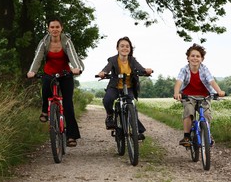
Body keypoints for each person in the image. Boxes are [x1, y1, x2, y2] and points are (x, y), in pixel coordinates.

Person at [27, 17, 84, 147]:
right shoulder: (44, 42)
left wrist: (76, 68)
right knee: (46, 88)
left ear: (61, 28)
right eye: (52, 27)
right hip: (49, 72)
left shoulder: (67, 42)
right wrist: (32, 71)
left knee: (68, 105)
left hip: (65, 74)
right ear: (48, 29)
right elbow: (37, 58)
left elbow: (73, 56)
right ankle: (45, 111)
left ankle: (71, 136)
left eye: (57, 27)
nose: (55, 29)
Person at [97, 36, 153, 140]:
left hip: (129, 87)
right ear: (117, 48)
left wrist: (146, 70)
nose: (125, 48)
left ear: (130, 49)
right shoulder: (113, 60)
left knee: (131, 107)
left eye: (127, 46)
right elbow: (107, 68)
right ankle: (110, 115)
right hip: (115, 87)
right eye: (122, 46)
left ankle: (136, 131)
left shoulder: (132, 60)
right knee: (107, 99)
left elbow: (140, 68)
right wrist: (103, 73)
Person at [173, 43, 225, 146]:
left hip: (204, 96)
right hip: (188, 96)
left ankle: (207, 134)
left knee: (206, 115)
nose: (195, 58)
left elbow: (211, 81)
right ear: (188, 58)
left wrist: (219, 91)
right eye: (192, 56)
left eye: (198, 56)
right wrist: (176, 93)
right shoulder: (184, 69)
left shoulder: (204, 69)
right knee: (189, 111)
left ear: (202, 59)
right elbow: (179, 82)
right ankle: (187, 137)